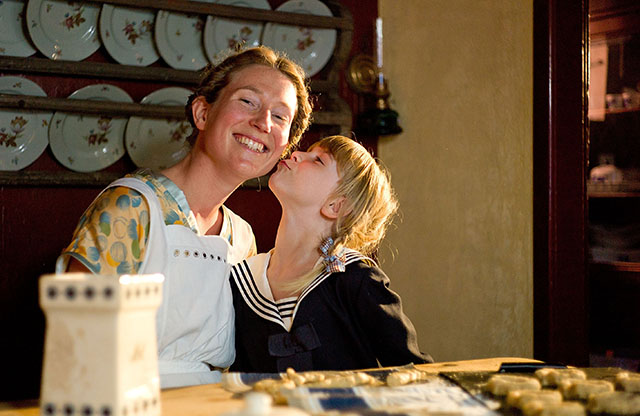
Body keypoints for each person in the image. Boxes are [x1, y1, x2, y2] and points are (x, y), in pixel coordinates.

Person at [56, 46, 313, 387]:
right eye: (247, 101)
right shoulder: (131, 208)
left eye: (280, 116)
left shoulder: (241, 238)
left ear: (283, 147)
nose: (263, 122)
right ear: (203, 113)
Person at [230, 135, 432, 372]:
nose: (295, 153)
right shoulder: (244, 279)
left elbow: (414, 373)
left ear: (335, 206)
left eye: (318, 160)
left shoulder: (354, 279)